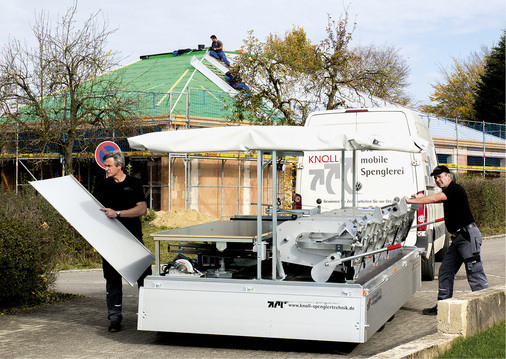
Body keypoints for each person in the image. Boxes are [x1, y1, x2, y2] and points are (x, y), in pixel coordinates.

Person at [403, 165, 488, 316]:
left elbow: (436, 198)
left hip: (467, 236)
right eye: (435, 178)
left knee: (474, 273)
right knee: (445, 271)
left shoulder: (456, 189)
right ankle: (443, 306)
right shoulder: (448, 193)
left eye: (440, 177)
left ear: (448, 176)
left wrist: (410, 201)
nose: (437, 180)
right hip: (458, 239)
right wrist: (419, 199)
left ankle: (486, 308)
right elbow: (437, 200)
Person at [94, 150, 152, 332]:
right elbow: (94, 210)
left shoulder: (134, 183)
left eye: (109, 165)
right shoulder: (102, 185)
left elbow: (142, 209)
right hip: (110, 240)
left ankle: (148, 314)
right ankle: (114, 318)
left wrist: (118, 213)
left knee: (143, 276)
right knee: (112, 279)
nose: (106, 168)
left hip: (133, 237)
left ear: (119, 166)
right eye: (105, 165)